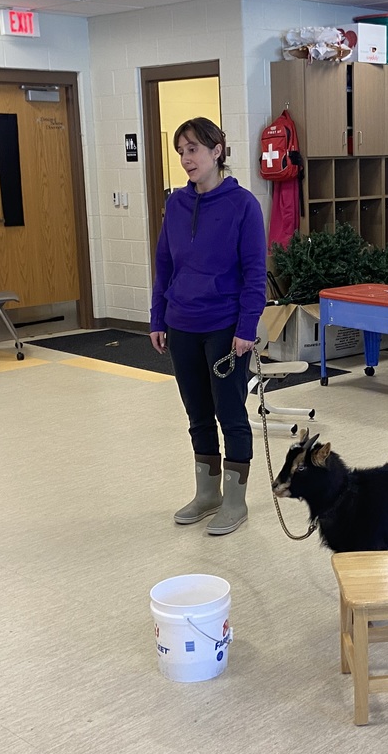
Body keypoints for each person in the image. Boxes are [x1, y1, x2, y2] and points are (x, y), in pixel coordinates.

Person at [150, 117, 266, 536]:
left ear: (218, 150)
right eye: (181, 151)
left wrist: (247, 328)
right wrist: (157, 317)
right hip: (181, 324)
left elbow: (255, 273)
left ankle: (235, 501)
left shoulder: (244, 206)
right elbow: (164, 264)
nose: (185, 159)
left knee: (230, 413)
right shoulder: (175, 204)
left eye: (193, 149)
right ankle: (208, 494)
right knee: (197, 413)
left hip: (225, 327)